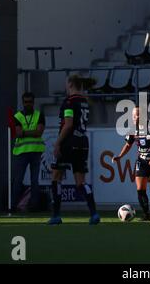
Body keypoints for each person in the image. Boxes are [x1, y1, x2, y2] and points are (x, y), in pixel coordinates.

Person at [47, 75, 100, 225]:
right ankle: (94, 213)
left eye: (66, 84)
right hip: (82, 141)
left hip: (69, 141)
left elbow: (68, 124)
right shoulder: (84, 102)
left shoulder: (69, 102)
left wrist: (57, 143)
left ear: (70, 84)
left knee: (56, 177)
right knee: (81, 182)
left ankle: (56, 215)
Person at [112, 106, 150, 221]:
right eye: (133, 115)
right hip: (142, 161)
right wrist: (120, 156)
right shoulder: (132, 130)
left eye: (137, 115)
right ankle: (147, 214)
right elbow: (128, 145)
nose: (134, 118)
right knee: (140, 189)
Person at [12, 92, 45, 212]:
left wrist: (25, 133)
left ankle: (34, 206)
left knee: (34, 180)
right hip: (21, 152)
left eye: (30, 102)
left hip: (35, 152)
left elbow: (39, 133)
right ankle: (14, 205)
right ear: (22, 102)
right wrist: (32, 132)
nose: (28, 104)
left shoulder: (39, 115)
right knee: (18, 180)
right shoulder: (17, 116)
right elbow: (19, 132)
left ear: (33, 102)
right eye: (26, 102)